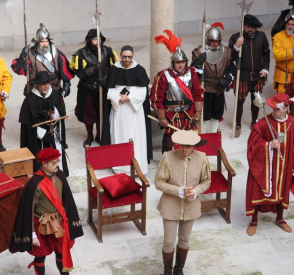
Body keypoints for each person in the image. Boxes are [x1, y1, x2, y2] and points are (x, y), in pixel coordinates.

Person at [246, 93, 294, 236]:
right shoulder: (263, 123)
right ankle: (254, 220)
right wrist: (268, 145)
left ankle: (280, 218)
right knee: (259, 189)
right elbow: (252, 144)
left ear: (285, 109)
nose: (274, 111)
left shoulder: (293, 124)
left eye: (277, 109)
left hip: (284, 165)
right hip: (265, 166)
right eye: (273, 108)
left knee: (282, 190)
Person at [9, 148, 83, 275]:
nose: (58, 165)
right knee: (40, 256)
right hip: (42, 226)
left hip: (60, 224)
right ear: (44, 164)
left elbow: (67, 200)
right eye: (54, 163)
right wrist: (32, 235)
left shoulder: (59, 175)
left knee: (61, 252)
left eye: (58, 161)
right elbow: (28, 211)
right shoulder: (34, 184)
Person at [155, 130, 211, 275]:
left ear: (194, 146)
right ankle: (167, 270)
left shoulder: (202, 158)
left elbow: (206, 181)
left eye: (188, 146)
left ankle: (178, 269)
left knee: (185, 239)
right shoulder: (167, 157)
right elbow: (159, 183)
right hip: (170, 206)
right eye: (182, 145)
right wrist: (179, 191)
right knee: (168, 241)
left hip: (191, 206)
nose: (184, 149)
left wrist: (196, 191)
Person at [151, 30, 204, 153]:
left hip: (188, 112)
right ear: (173, 63)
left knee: (187, 140)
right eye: (178, 62)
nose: (180, 65)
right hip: (170, 114)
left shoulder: (192, 74)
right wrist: (162, 118)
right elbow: (156, 99)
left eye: (182, 62)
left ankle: (185, 160)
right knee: (169, 141)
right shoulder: (163, 76)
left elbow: (197, 94)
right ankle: (166, 161)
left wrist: (198, 111)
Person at [105, 45, 150, 174]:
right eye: (124, 56)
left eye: (129, 57)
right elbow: (110, 91)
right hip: (119, 111)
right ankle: (120, 167)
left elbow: (143, 92)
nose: (126, 59)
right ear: (120, 55)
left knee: (135, 137)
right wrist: (118, 99)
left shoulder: (139, 70)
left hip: (134, 111)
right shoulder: (114, 70)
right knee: (119, 136)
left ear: (133, 56)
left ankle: (136, 168)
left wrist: (129, 98)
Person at [69, 29, 119, 147]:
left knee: (102, 114)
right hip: (87, 89)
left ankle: (100, 135)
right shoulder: (81, 54)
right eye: (95, 39)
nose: (98, 41)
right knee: (88, 115)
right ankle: (90, 135)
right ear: (89, 40)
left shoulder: (108, 51)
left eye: (99, 39)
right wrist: (94, 69)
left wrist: (106, 79)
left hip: (103, 89)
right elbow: (80, 74)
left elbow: (115, 69)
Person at [19, 71, 69, 176]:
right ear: (37, 85)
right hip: (37, 140)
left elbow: (61, 116)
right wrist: (42, 135)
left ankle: (57, 175)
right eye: (43, 84)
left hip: (54, 134)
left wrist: (54, 110)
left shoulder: (55, 95)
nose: (46, 86)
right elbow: (27, 125)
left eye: (48, 83)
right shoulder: (30, 100)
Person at [192, 22, 236, 133]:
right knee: (205, 116)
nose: (215, 44)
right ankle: (203, 136)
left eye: (217, 41)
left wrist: (228, 79)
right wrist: (198, 65)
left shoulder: (226, 51)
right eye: (213, 41)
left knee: (216, 115)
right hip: (205, 88)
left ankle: (213, 136)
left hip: (219, 89)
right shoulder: (198, 52)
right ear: (207, 40)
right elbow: (193, 74)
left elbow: (232, 68)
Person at [11, 23, 74, 100]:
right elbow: (21, 70)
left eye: (46, 41)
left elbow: (65, 69)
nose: (45, 44)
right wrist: (22, 57)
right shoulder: (30, 54)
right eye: (42, 42)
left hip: (54, 89)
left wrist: (66, 83)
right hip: (36, 91)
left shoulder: (57, 53)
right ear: (37, 42)